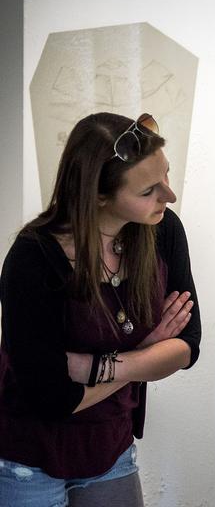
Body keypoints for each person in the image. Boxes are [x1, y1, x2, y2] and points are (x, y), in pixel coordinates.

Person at [0, 112, 201, 506]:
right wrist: (147, 353)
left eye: (166, 176)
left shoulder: (163, 231)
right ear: (97, 195)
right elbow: (53, 398)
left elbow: (188, 347)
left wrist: (94, 366)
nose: (169, 195)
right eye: (148, 191)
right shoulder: (33, 258)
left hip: (110, 445)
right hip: (27, 453)